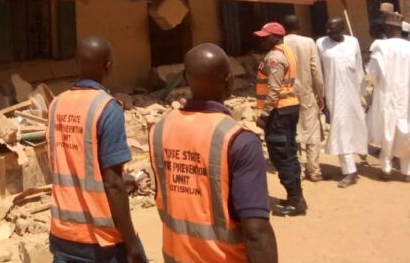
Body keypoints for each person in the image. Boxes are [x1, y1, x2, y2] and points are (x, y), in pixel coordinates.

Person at [149, 43, 278, 263]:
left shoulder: (159, 130)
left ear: (185, 77)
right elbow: (256, 231)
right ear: (229, 79)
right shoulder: (239, 140)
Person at [46, 36, 145, 263]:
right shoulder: (107, 108)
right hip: (100, 238)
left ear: (76, 61)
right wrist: (131, 243)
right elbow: (112, 183)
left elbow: (73, 161)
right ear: (108, 66)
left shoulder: (56, 105)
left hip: (62, 231)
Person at [253, 22, 306, 216]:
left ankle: (295, 201)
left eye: (264, 37)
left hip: (279, 112)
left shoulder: (274, 57)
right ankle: (297, 197)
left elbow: (273, 90)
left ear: (275, 38)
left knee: (281, 155)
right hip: (289, 107)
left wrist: (264, 115)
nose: (260, 40)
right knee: (290, 153)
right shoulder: (287, 51)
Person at [316, 17, 368, 188]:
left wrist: (362, 94)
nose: (330, 33)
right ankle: (350, 171)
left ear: (343, 29)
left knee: (357, 126)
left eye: (334, 30)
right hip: (334, 95)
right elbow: (318, 70)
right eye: (328, 29)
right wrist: (320, 95)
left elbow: (359, 67)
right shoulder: (321, 43)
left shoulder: (353, 42)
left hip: (353, 94)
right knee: (340, 130)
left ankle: (360, 152)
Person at [366, 15, 410, 182]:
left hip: (387, 95)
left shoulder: (381, 47)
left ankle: (386, 169)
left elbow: (373, 75)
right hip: (406, 96)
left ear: (390, 28)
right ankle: (407, 172)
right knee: (406, 132)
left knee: (387, 131)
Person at [282, 14, 325, 182]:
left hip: (287, 93)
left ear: (284, 27)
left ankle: (298, 170)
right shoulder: (308, 42)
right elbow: (316, 70)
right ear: (299, 25)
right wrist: (320, 93)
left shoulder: (280, 44)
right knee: (312, 131)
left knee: (293, 132)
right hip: (306, 93)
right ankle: (314, 170)